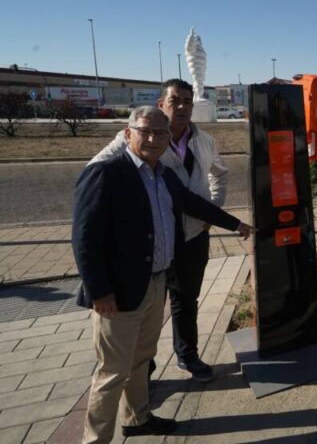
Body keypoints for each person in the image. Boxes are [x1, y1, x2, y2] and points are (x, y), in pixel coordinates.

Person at [73, 106, 251, 443]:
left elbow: (194, 204)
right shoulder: (106, 173)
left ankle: (138, 418)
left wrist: (236, 224)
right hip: (119, 294)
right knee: (113, 372)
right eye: (146, 131)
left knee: (141, 360)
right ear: (128, 133)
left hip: (155, 285)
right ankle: (94, 440)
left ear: (169, 138)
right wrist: (99, 290)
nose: (153, 139)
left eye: (161, 133)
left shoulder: (164, 174)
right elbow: (85, 239)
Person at [90, 79, 228, 383]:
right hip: (151, 242)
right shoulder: (141, 135)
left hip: (192, 237)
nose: (181, 107)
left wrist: (213, 208)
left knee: (186, 299)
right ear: (161, 103)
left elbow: (220, 173)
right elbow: (97, 170)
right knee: (146, 305)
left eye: (187, 101)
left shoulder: (203, 140)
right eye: (175, 100)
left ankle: (187, 355)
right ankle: (144, 369)